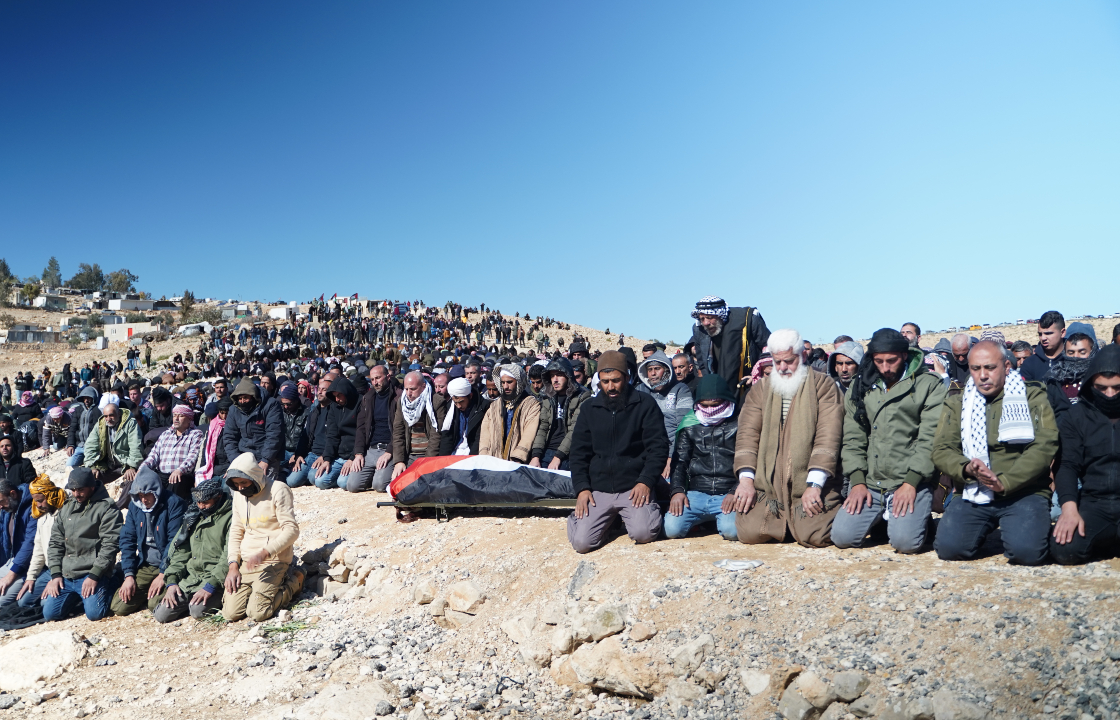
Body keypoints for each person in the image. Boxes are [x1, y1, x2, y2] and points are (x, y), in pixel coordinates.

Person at [932, 341, 1057, 565]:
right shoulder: (957, 402)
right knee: (949, 549)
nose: (982, 375)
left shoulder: (1032, 397)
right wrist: (966, 468)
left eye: (990, 367)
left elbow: (1044, 446)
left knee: (1027, 553)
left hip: (1023, 491)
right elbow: (942, 449)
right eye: (976, 368)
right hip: (973, 488)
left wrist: (1005, 483)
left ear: (1007, 366)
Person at [833, 328, 947, 553]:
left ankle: (919, 522)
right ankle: (885, 519)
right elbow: (853, 437)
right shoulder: (860, 386)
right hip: (872, 481)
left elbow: (929, 439)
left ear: (905, 355)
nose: (885, 368)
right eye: (879, 361)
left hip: (909, 480)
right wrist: (857, 481)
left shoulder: (929, 384)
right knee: (842, 537)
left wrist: (911, 483)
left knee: (905, 544)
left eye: (891, 361)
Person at [733, 329, 845, 547]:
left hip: (809, 481)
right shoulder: (760, 390)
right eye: (777, 362)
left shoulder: (823, 386)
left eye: (789, 361)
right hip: (770, 485)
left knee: (814, 536)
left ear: (802, 357)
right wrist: (746, 480)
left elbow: (828, 436)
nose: (783, 368)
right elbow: (747, 434)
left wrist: (815, 484)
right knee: (749, 534)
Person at [567, 351, 667, 553]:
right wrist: (582, 489)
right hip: (599, 489)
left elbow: (658, 447)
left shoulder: (645, 405)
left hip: (633, 487)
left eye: (615, 380)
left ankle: (645, 509)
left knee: (643, 533)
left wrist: (646, 481)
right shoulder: (589, 409)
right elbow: (578, 453)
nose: (610, 387)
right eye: (605, 381)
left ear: (627, 378)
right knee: (581, 544)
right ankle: (601, 521)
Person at [1050, 344, 1120, 564]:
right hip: (1094, 502)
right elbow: (1067, 465)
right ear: (1090, 383)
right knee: (1065, 549)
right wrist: (1069, 509)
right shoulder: (1075, 416)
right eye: (1102, 388)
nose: (1109, 395)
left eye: (1117, 388)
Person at [223, 452, 304, 623]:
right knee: (231, 613)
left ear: (254, 476)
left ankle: (295, 580)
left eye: (244, 483)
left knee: (258, 613)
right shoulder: (238, 495)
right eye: (236, 484)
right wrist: (233, 565)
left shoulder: (278, 489)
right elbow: (236, 531)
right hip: (247, 562)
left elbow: (292, 530)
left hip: (273, 560)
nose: (240, 488)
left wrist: (265, 553)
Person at [665, 375, 740, 541]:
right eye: (705, 405)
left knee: (731, 532)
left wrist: (735, 491)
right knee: (672, 529)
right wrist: (677, 491)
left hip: (728, 492)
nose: (710, 410)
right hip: (696, 492)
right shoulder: (690, 424)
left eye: (716, 405)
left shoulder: (740, 423)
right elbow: (680, 461)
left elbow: (748, 461)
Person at [42, 467, 123, 622]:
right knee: (50, 614)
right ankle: (78, 598)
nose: (76, 494)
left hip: (92, 572)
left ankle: (113, 581)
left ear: (92, 487)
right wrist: (55, 574)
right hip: (67, 574)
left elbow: (110, 544)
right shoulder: (67, 508)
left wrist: (95, 574)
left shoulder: (107, 508)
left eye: (80, 490)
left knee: (95, 614)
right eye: (73, 490)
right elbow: (55, 543)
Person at [110, 466, 187, 616]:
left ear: (156, 490)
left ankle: (161, 591)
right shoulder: (135, 506)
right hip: (146, 564)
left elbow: (174, 543)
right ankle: (147, 591)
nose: (144, 499)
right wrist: (129, 575)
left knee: (155, 606)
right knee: (118, 606)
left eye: (148, 495)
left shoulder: (174, 504)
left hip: (168, 566)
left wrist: (162, 574)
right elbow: (127, 539)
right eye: (140, 495)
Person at [154, 478, 232, 622]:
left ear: (218, 497)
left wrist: (211, 585)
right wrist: (171, 582)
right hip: (190, 579)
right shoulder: (193, 517)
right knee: (161, 615)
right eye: (198, 503)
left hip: (214, 580)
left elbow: (228, 557)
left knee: (197, 612)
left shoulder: (230, 518)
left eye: (206, 503)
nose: (201, 506)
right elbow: (181, 553)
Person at [689, 296, 771, 404]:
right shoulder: (699, 329)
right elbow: (702, 363)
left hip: (749, 385)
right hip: (718, 392)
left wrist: (756, 375)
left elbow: (769, 349)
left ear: (720, 315)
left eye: (709, 317)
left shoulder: (748, 320)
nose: (705, 323)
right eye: (702, 319)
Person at [636, 350, 693, 478]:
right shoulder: (640, 391)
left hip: (671, 452)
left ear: (667, 370)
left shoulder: (681, 389)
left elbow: (684, 427)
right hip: (644, 453)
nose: (653, 373)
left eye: (657, 368)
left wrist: (670, 457)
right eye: (650, 369)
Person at [345, 366, 400, 493]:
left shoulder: (398, 397)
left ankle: (382, 474)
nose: (375, 382)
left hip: (389, 449)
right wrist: (358, 453)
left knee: (379, 486)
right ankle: (376, 473)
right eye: (373, 379)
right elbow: (361, 428)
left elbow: (400, 429)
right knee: (353, 486)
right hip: (371, 449)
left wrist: (389, 452)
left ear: (387, 377)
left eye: (378, 378)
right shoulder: (368, 398)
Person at [530, 358, 591, 471]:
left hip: (568, 454)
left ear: (568, 376)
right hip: (546, 451)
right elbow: (543, 427)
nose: (555, 380)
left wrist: (558, 457)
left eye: (559, 375)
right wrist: (535, 456)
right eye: (552, 376)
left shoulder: (582, 397)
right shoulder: (548, 397)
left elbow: (575, 430)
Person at [16, 474, 66, 609]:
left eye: (40, 500)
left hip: (66, 570)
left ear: (50, 496)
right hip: (50, 570)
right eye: (35, 501)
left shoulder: (65, 514)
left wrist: (56, 577)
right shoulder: (42, 518)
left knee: (45, 603)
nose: (38, 505)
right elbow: (38, 551)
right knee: (24, 601)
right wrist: (31, 577)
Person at [83, 399, 143, 508]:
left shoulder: (130, 424)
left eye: (111, 415)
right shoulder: (100, 425)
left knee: (132, 479)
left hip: (125, 464)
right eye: (105, 416)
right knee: (89, 476)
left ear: (118, 414)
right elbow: (90, 446)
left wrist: (132, 466)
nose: (108, 419)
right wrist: (93, 466)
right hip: (108, 465)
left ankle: (117, 507)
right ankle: (92, 505)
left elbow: (136, 446)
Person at [224, 378, 284, 484]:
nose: (242, 401)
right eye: (240, 398)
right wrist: (236, 461)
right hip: (244, 454)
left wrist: (266, 460)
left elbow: (274, 435)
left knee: (262, 484)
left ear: (253, 396)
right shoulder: (234, 409)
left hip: (267, 455)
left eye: (246, 398)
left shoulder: (270, 405)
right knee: (233, 485)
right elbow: (230, 437)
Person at [479, 365, 540, 464]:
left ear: (519, 382)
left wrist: (519, 456)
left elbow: (530, 432)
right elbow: (485, 433)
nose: (505, 386)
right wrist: (484, 455)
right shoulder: (495, 405)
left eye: (509, 382)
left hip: (517, 462)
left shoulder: (531, 404)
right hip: (493, 460)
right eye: (503, 382)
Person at [142, 404, 204, 500]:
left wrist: (179, 470)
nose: (176, 418)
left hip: (181, 475)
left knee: (173, 489)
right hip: (161, 475)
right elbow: (154, 455)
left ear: (189, 419)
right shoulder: (165, 434)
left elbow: (193, 456)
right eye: (175, 415)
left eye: (181, 416)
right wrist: (143, 468)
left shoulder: (195, 434)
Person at [286, 378, 339, 488]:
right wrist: (299, 454)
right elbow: (305, 436)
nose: (319, 392)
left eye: (324, 390)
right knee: (291, 481)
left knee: (314, 478)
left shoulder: (335, 411)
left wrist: (325, 456)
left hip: (326, 455)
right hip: (311, 454)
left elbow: (335, 438)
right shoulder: (314, 411)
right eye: (319, 389)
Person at [389, 371, 441, 479]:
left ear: (423, 386)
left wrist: (427, 462)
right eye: (406, 389)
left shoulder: (436, 402)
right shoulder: (402, 402)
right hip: (410, 455)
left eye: (412, 389)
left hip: (428, 455)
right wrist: (399, 461)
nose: (408, 393)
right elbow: (398, 432)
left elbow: (436, 435)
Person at [0, 477, 36, 607]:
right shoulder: (8, 508)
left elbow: (29, 545)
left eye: (1, 501)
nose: (0, 507)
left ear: (13, 494)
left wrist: (10, 576)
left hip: (26, 567)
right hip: (12, 561)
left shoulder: (33, 507)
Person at [438, 378, 492, 456]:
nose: (459, 406)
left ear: (470, 396)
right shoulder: (451, 407)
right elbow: (447, 436)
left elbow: (479, 438)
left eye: (461, 402)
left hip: (472, 453)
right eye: (456, 403)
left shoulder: (483, 407)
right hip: (455, 452)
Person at [1020, 310, 1067, 381]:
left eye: (1048, 333)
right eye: (1040, 334)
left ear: (1062, 333)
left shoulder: (1072, 359)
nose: (1043, 338)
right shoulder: (1029, 364)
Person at [66, 385, 102, 467]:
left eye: (89, 398)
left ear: (93, 398)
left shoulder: (97, 411)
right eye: (84, 398)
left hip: (91, 446)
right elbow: (72, 428)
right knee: (69, 465)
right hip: (79, 446)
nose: (86, 400)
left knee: (90, 467)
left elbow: (99, 431)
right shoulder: (78, 410)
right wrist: (70, 445)